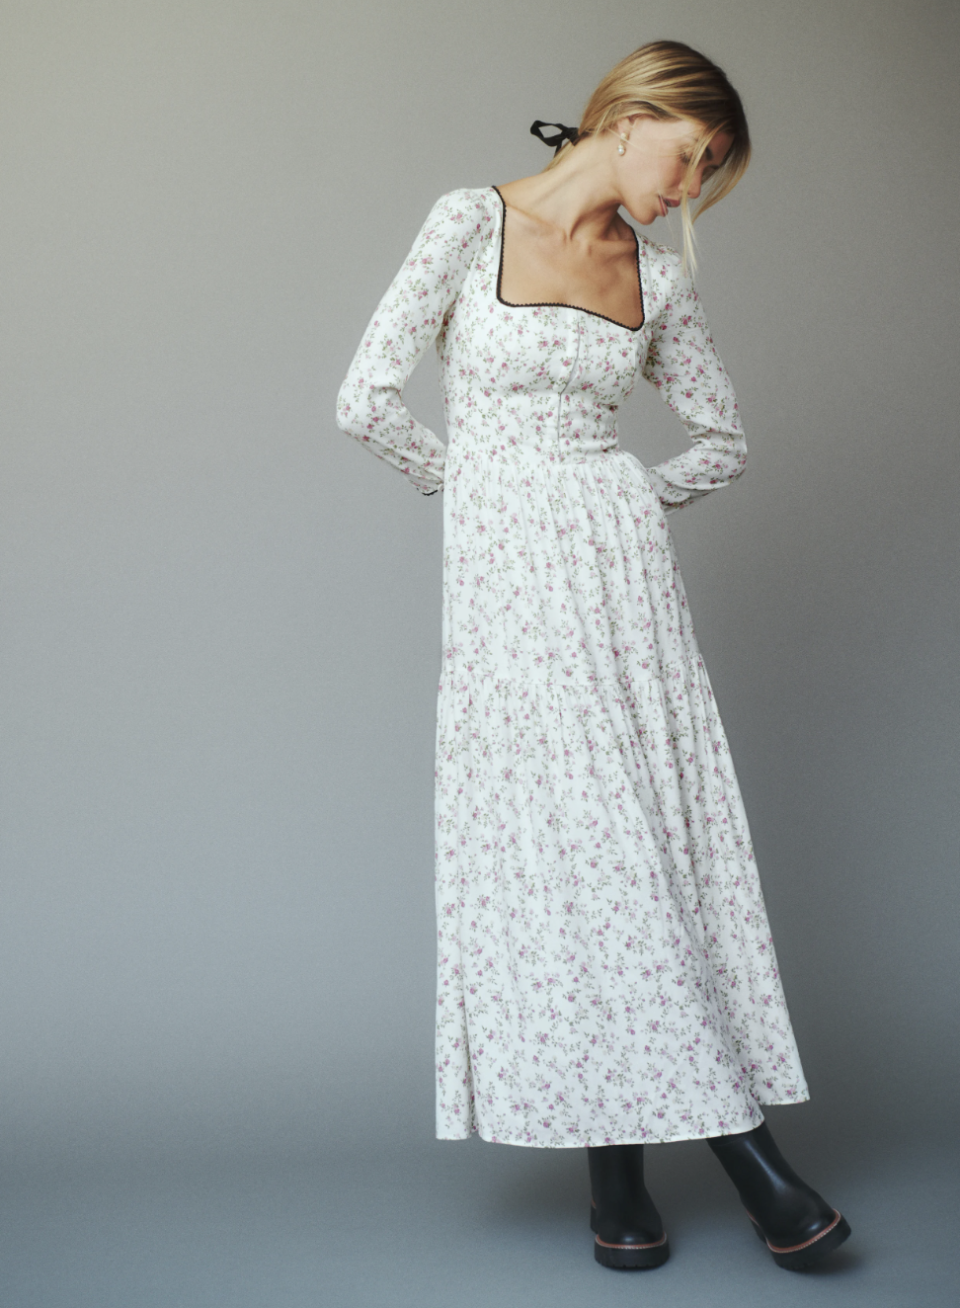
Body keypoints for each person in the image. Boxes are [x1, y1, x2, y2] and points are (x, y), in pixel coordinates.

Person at [336, 40, 850, 1273]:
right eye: (692, 156)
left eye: (713, 173)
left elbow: (722, 437)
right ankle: (753, 1159)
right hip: (510, 587)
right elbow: (367, 397)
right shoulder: (469, 224)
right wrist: (485, 496)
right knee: (579, 845)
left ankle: (616, 1178)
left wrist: (617, 500)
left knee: (645, 841)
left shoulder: (657, 284)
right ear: (630, 116)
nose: (692, 189)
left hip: (624, 585)